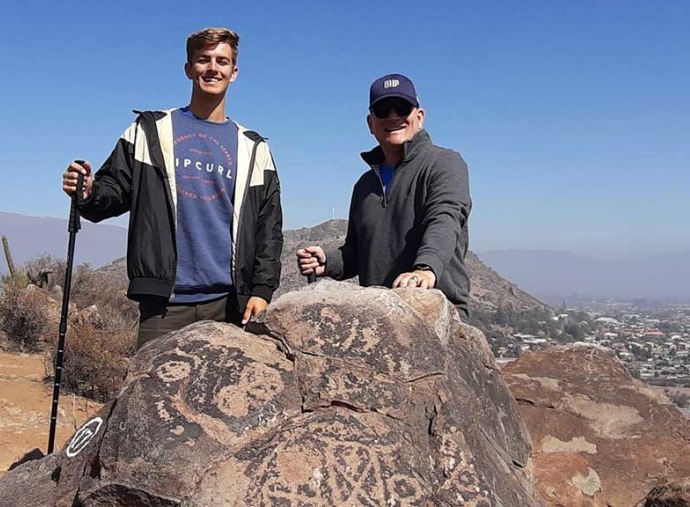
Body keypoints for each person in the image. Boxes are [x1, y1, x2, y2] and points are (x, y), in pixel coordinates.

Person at [62, 27, 283, 348]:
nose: (212, 68)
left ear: (234, 72)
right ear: (188, 69)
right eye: (203, 60)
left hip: (230, 304)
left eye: (222, 61)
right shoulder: (150, 131)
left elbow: (269, 227)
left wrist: (262, 291)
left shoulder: (254, 148)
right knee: (150, 396)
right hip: (164, 305)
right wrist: (88, 193)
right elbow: (113, 191)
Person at [296, 73, 472, 319]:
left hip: (436, 314)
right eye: (382, 110)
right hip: (381, 319)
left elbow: (445, 220)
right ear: (370, 123)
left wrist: (425, 270)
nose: (393, 117)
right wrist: (328, 262)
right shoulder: (364, 185)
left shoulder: (444, 164)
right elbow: (357, 252)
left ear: (419, 117)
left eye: (401, 107)